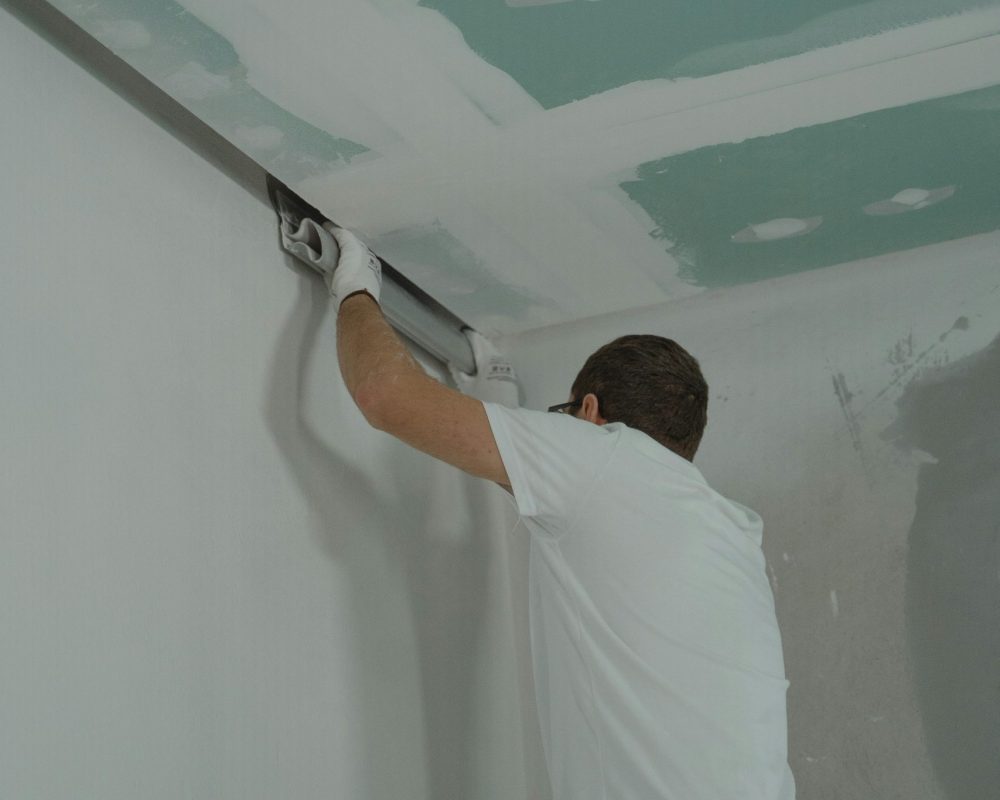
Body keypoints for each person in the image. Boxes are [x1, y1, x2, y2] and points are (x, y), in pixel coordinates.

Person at [322, 225, 795, 800]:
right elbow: (545, 493)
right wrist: (495, 399)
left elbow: (386, 397)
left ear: (590, 411)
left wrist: (354, 287)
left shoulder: (605, 456)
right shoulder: (726, 529)